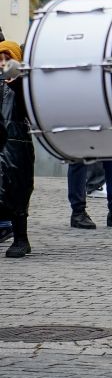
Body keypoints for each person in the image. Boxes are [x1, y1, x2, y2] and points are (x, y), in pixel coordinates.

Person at [66, 0, 112, 229]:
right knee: (80, 154)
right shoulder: (88, 14)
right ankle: (78, 211)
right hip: (83, 91)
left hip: (109, 92)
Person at [0, 39, 34, 258]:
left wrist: (16, 83)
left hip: (17, 144)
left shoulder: (25, 85)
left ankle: (21, 238)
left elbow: (30, 110)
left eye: (7, 59)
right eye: (0, 59)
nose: (3, 63)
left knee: (18, 191)